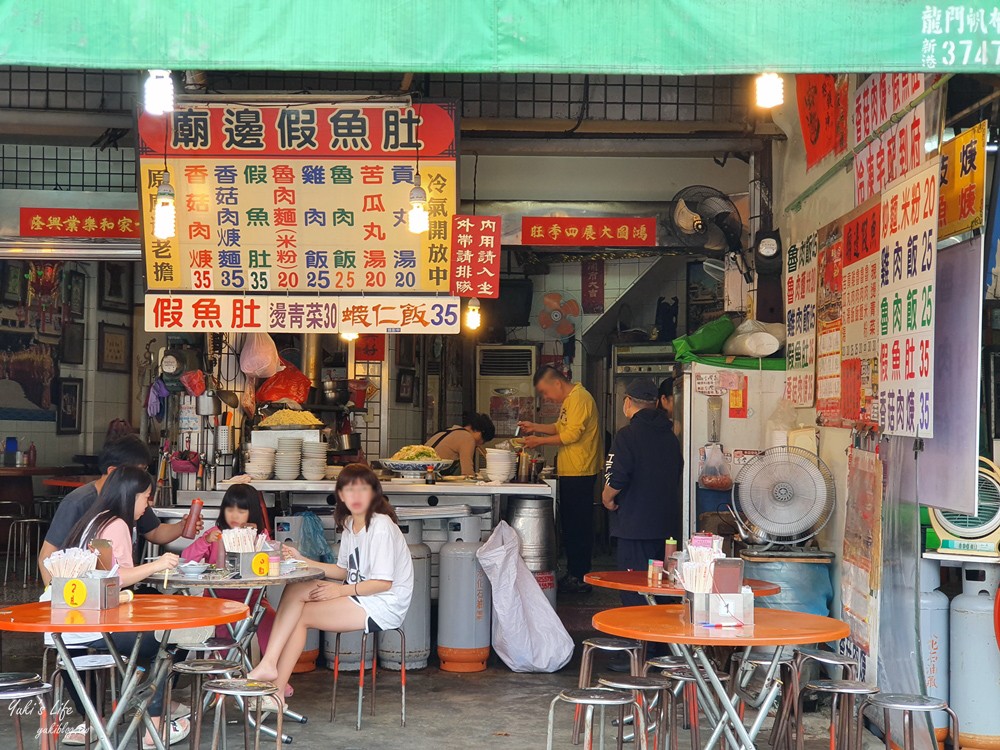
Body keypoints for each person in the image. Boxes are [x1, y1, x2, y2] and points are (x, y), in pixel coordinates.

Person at [44, 467, 187, 746]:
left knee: (146, 647)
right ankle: (152, 729)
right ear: (130, 495)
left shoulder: (95, 520)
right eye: (146, 498)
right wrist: (157, 564)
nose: (148, 505)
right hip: (93, 629)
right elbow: (111, 578)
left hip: (71, 627)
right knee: (167, 640)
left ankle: (115, 715)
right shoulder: (117, 525)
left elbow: (102, 574)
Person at [248, 464, 413, 704]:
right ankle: (270, 668)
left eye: (363, 490)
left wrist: (339, 590)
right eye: (349, 490)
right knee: (295, 588)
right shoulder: (349, 526)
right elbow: (344, 571)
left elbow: (382, 583)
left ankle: (276, 689)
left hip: (383, 604)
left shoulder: (381, 527)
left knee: (301, 616)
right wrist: (301, 559)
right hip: (359, 595)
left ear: (374, 494)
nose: (355, 497)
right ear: (341, 496)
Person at [38, 436, 202, 584]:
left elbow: (155, 531)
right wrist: (54, 596)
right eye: (138, 472)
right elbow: (47, 556)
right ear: (113, 472)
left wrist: (182, 526)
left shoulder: (132, 502)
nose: (142, 478)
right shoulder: (79, 503)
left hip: (106, 593)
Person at [180, 484, 278, 678]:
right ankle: (220, 675)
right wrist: (206, 541)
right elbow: (186, 558)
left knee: (272, 622)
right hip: (217, 602)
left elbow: (270, 564)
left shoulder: (260, 536)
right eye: (230, 509)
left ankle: (275, 672)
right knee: (224, 632)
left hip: (253, 600)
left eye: (241, 510)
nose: (234, 515)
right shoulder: (216, 533)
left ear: (252, 513)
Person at [519, 365, 601, 594]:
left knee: (578, 526)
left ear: (557, 383)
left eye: (545, 392)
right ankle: (575, 573)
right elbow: (559, 427)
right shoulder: (571, 399)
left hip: (581, 470)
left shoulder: (579, 398)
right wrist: (535, 428)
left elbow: (571, 435)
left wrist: (539, 441)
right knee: (572, 525)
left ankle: (581, 577)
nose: (546, 397)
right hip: (571, 470)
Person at [603, 378, 683, 608]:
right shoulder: (670, 438)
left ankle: (639, 642)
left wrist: (606, 498)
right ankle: (659, 643)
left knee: (636, 591)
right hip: (666, 530)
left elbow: (616, 476)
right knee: (662, 589)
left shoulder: (627, 435)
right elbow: (677, 471)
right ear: (657, 402)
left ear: (627, 402)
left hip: (634, 529)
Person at [424, 413, 497, 476]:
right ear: (480, 433)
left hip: (422, 476)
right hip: (430, 477)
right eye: (483, 441)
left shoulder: (448, 431)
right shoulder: (467, 438)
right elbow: (467, 473)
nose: (480, 445)